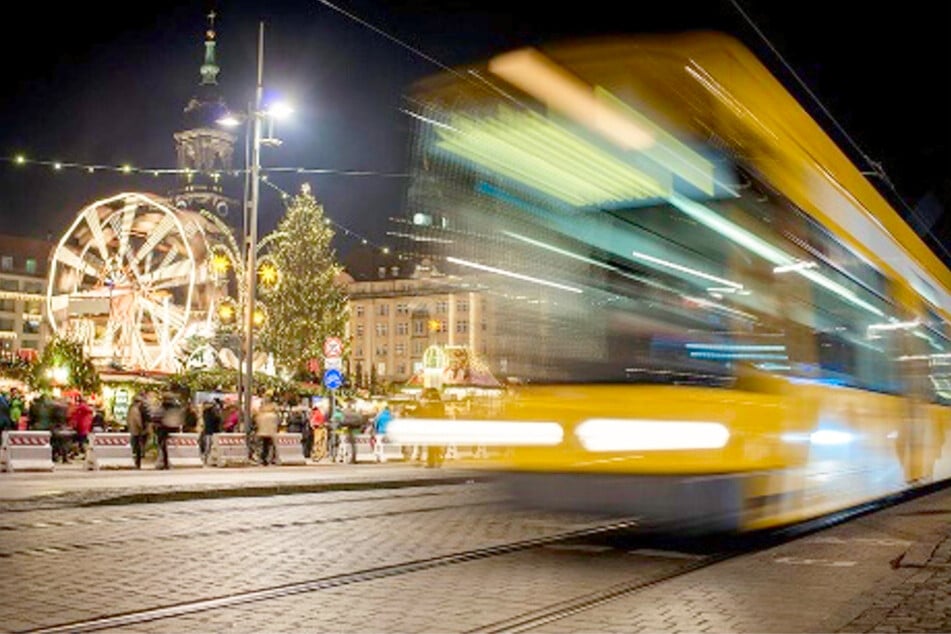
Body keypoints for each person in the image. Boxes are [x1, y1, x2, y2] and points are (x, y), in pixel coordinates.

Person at [416, 389, 446, 468]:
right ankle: (436, 461)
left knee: (432, 446)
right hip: (437, 427)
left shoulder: (431, 405)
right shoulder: (440, 404)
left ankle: (432, 462)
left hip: (432, 427)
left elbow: (424, 414)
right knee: (434, 446)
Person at [156, 393, 184, 469]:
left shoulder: (163, 407)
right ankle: (167, 463)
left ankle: (164, 463)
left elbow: (157, 417)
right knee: (170, 448)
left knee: (163, 447)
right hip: (174, 429)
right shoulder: (177, 407)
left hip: (163, 429)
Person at [255, 398, 279, 465]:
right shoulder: (274, 415)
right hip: (271, 433)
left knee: (263, 446)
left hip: (262, 432)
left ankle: (262, 458)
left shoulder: (261, 415)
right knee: (271, 446)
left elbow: (257, 422)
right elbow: (277, 423)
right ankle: (271, 459)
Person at [127, 393, 147, 469]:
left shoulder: (130, 409)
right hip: (136, 431)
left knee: (135, 447)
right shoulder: (135, 410)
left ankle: (136, 463)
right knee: (137, 448)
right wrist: (142, 428)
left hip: (132, 430)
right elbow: (138, 421)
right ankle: (137, 464)